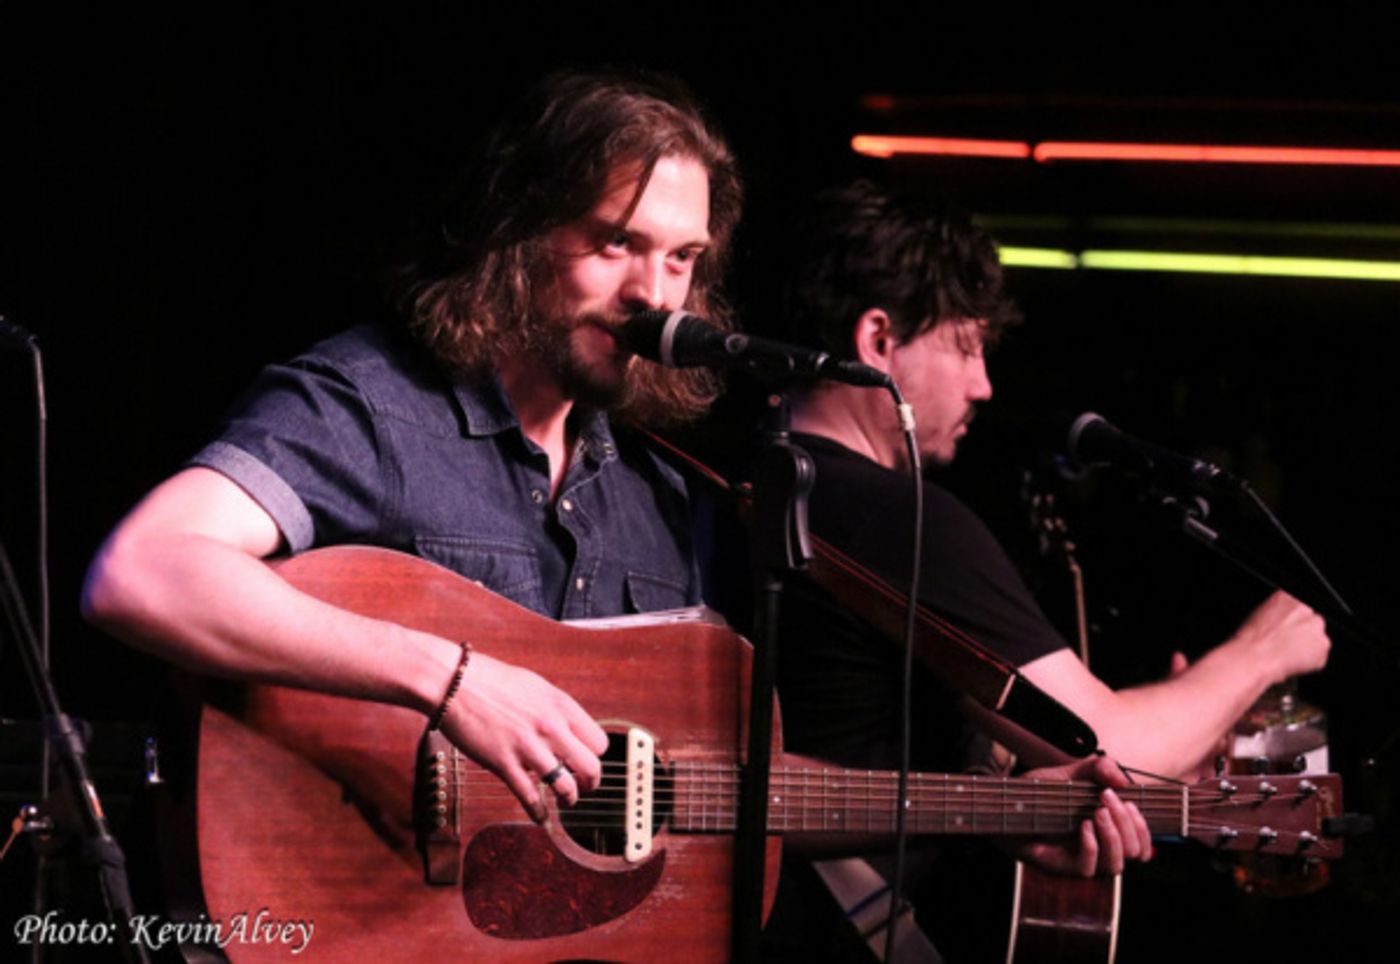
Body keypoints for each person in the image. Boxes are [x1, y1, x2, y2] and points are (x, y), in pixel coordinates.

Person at [81, 69, 744, 823]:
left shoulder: (657, 494)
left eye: (681, 259)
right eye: (617, 242)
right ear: (520, 234)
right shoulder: (371, 407)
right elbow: (141, 571)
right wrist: (453, 680)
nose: (655, 295)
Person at [759, 179, 1331, 956]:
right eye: (967, 345)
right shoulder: (896, 516)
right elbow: (1112, 749)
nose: (984, 383)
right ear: (878, 341)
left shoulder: (727, 479)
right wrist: (1264, 651)